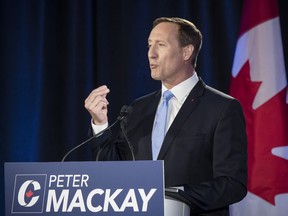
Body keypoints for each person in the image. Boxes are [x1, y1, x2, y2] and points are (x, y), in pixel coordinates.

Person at [84, 17, 247, 216]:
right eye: (149, 45)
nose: (151, 54)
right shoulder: (138, 109)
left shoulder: (222, 108)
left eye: (160, 45)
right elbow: (113, 174)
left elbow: (232, 184)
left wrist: (174, 195)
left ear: (186, 52)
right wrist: (101, 124)